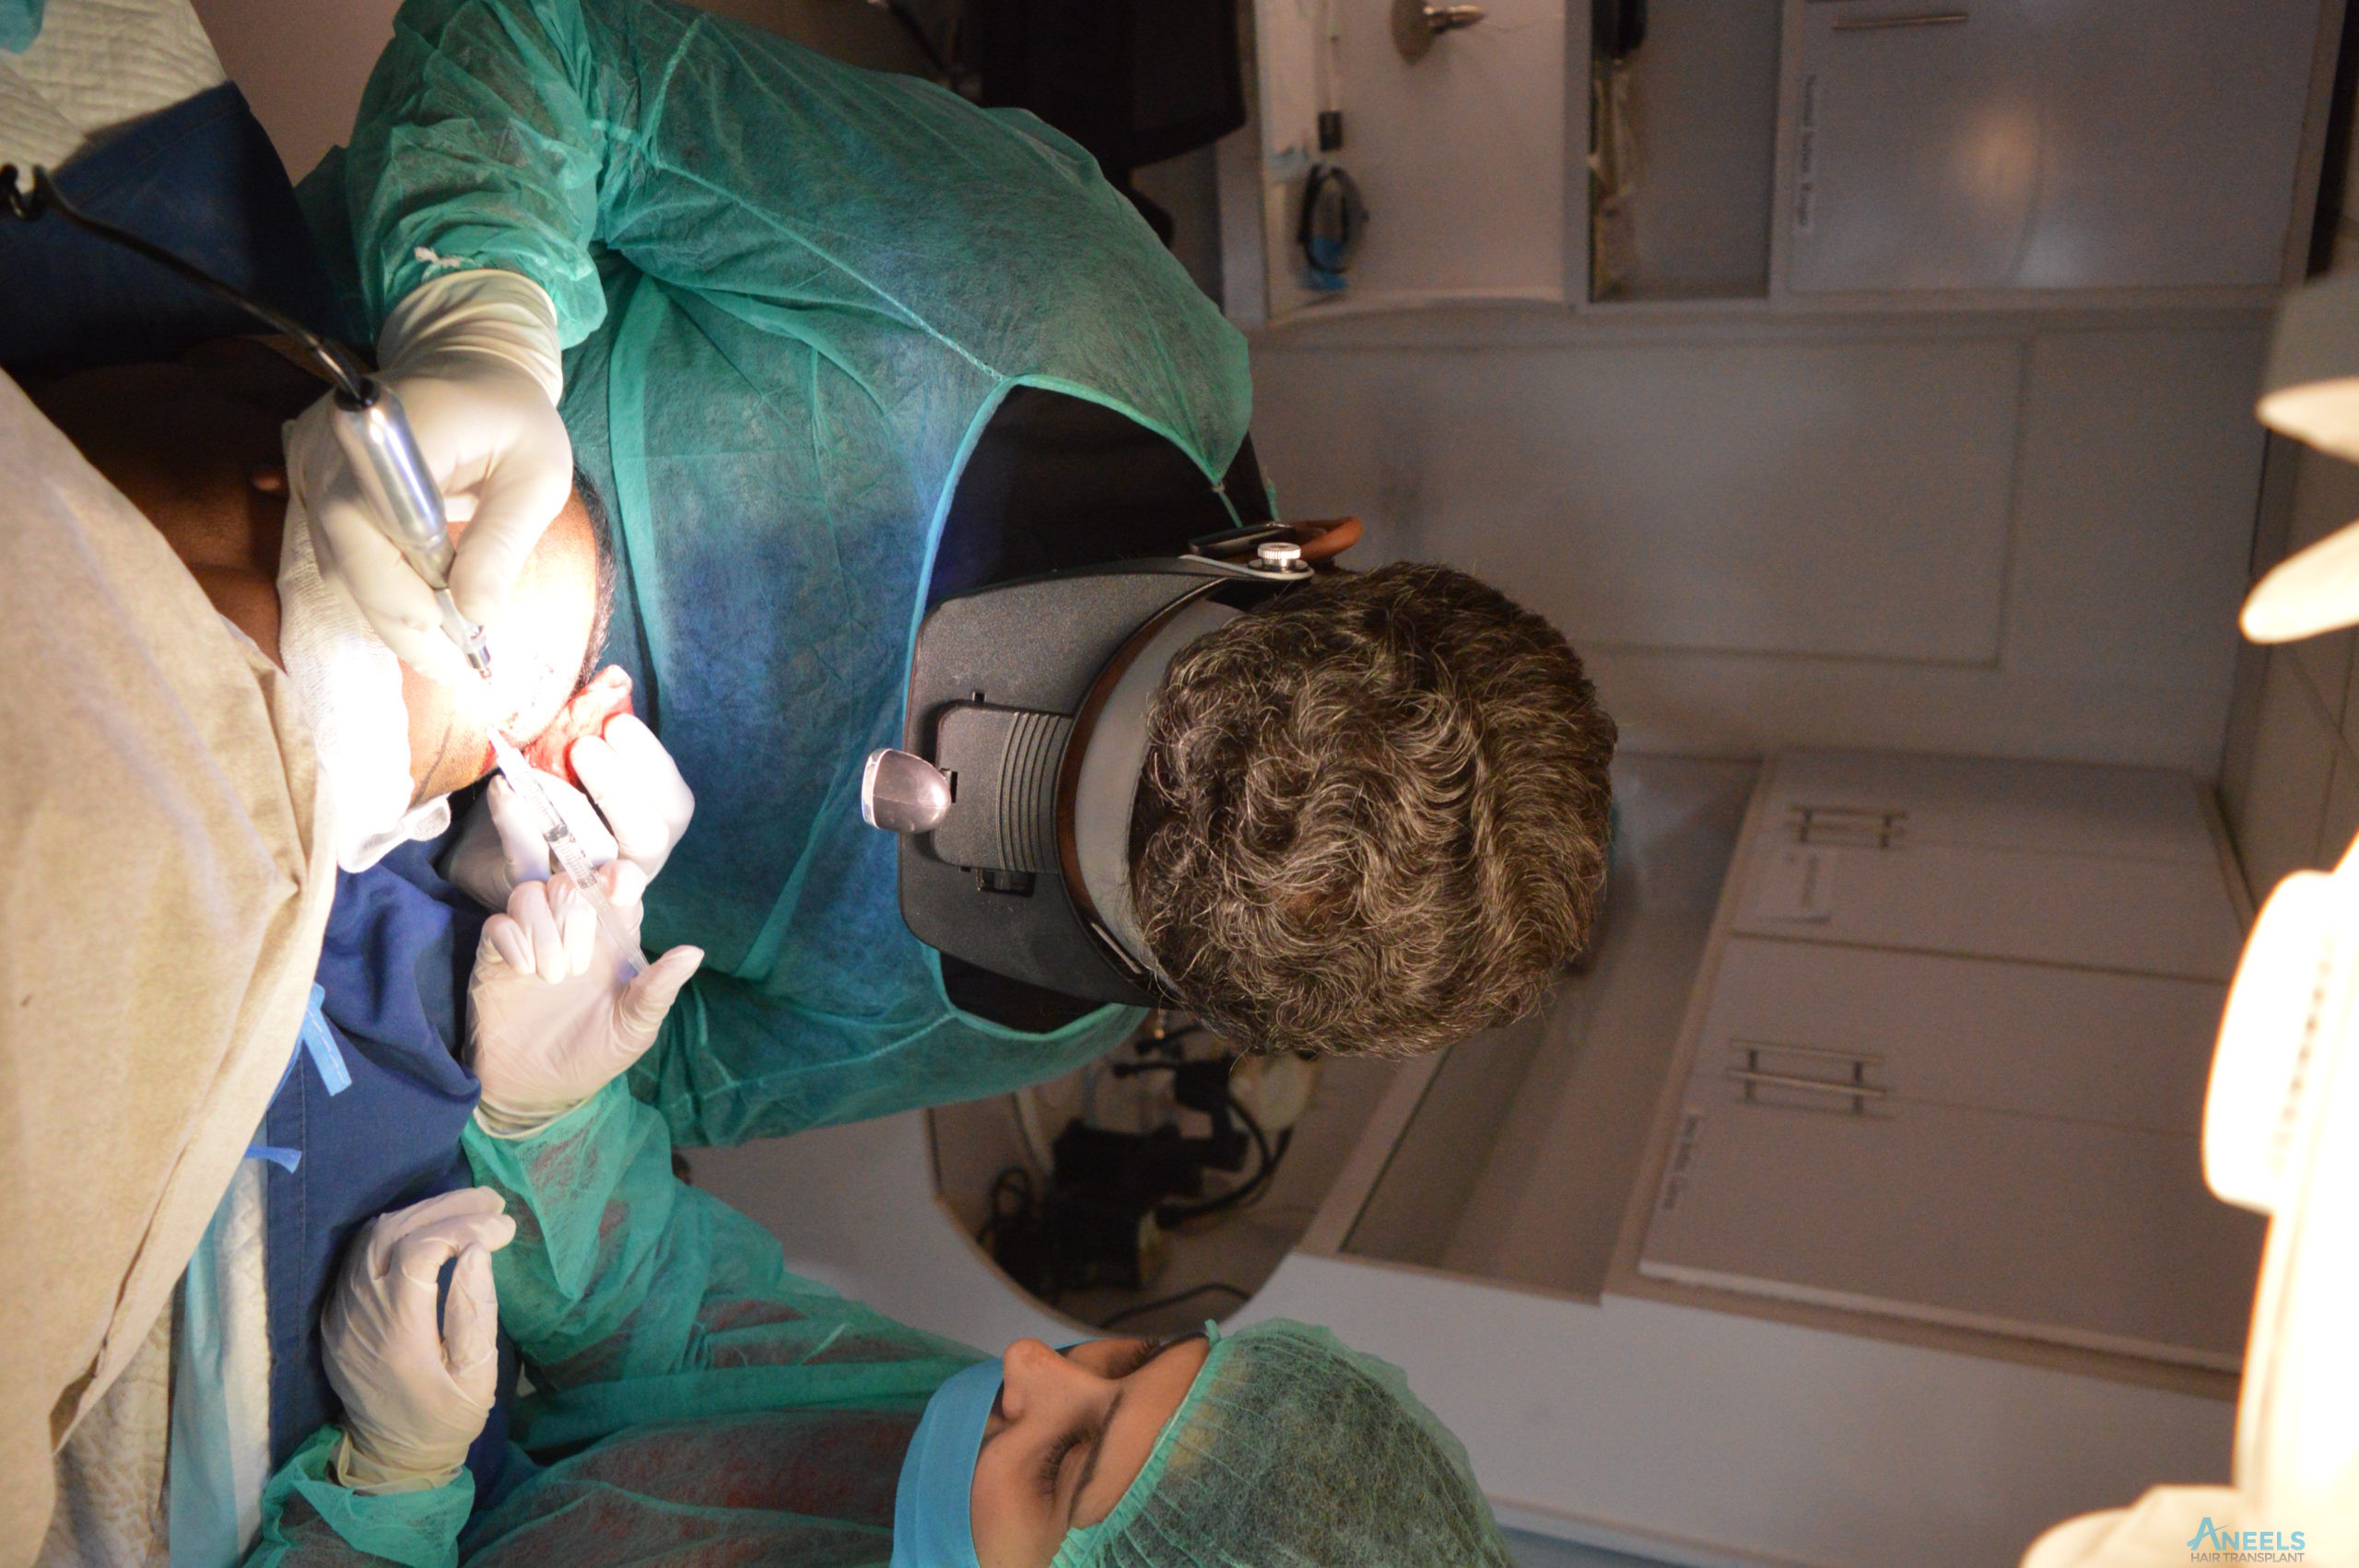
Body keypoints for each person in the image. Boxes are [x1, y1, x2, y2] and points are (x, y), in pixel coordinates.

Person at [293, 0, 1618, 1151]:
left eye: (1084, 879)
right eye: (1097, 695)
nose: (928, 786)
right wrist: (475, 316)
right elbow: (549, 51)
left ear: (1175, 995)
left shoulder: (1026, 1014)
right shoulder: (1066, 317)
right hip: (283, 362)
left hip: (327, 887)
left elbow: (659, 1095)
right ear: (1297, 554)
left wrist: (547, 1065)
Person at [241, 867, 1520, 1565]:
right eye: (1125, 1359)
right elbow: (683, 1337)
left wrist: (388, 1495)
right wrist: (555, 1120)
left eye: (1068, 1464)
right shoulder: (955, 1457)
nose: (1031, 1366)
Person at [14, 333, 703, 1566]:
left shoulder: (410, 926)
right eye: (469, 597)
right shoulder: (185, 537)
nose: (485, 685)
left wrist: (393, 1478)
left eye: (525, 694)